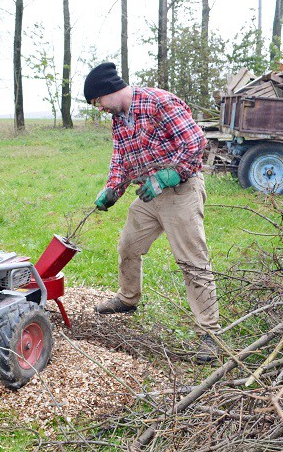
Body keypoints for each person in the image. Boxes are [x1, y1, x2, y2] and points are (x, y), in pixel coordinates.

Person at [84, 62, 221, 363]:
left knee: (192, 261)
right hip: (148, 194)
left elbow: (196, 141)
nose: (100, 109)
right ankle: (128, 298)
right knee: (128, 246)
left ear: (108, 91)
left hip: (180, 192)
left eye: (98, 102)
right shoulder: (119, 121)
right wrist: (112, 190)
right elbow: (121, 161)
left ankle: (209, 334)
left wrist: (169, 175)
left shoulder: (158, 102)